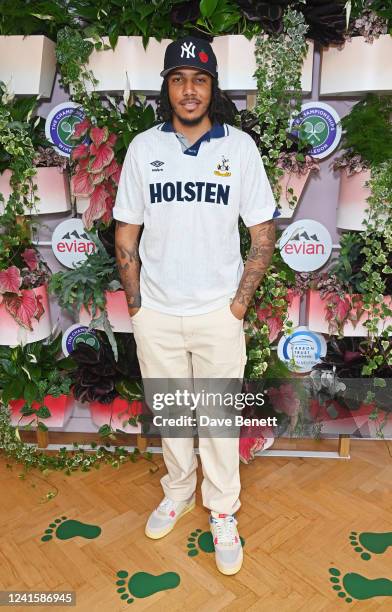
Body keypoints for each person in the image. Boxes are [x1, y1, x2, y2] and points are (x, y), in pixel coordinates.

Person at [113, 36, 278, 576]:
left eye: (200, 79)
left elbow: (261, 231)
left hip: (216, 314)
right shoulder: (143, 148)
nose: (189, 90)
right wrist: (137, 304)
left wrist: (238, 305)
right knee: (173, 415)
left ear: (212, 88)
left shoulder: (239, 149)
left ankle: (223, 509)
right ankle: (179, 490)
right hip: (157, 312)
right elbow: (126, 230)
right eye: (179, 79)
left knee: (217, 419)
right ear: (166, 86)